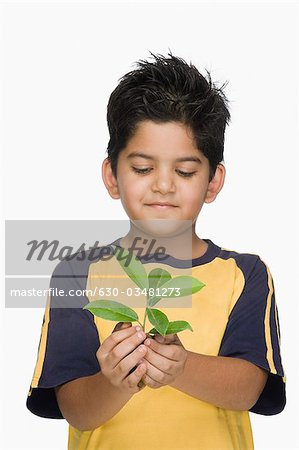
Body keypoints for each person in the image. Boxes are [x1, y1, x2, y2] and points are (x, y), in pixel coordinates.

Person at [26, 52, 286, 450]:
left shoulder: (246, 274)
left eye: (184, 171)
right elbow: (75, 408)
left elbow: (249, 387)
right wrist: (114, 381)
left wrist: (180, 367)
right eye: (143, 168)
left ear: (213, 182)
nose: (164, 186)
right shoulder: (76, 274)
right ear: (112, 176)